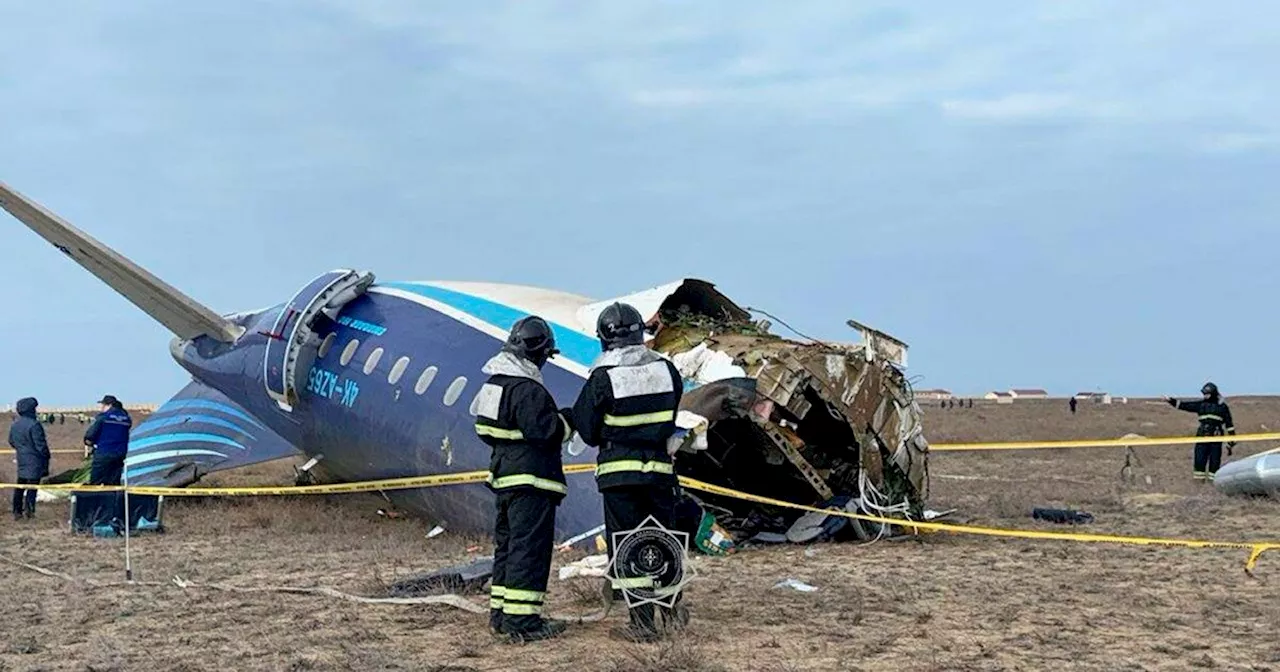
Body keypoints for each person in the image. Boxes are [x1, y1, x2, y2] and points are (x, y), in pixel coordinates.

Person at [570, 302, 689, 642]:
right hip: (660, 473)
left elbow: (588, 429)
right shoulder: (666, 370)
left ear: (604, 339)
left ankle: (642, 624)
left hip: (620, 476)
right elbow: (670, 416)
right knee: (664, 539)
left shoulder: (603, 376)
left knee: (629, 545)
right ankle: (671, 609)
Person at [474, 316, 572, 643]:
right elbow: (546, 433)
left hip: (503, 479)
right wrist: (568, 420)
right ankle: (522, 623)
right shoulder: (528, 389)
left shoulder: (494, 384)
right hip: (531, 482)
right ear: (539, 352)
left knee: (508, 548)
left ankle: (501, 616)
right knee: (529, 550)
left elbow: (484, 430)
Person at [1165, 382, 1236, 482]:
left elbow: (1229, 425)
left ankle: (1213, 483)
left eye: (1207, 394)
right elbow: (1185, 405)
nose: (1205, 396)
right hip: (1201, 436)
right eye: (1204, 394)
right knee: (1199, 460)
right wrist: (1171, 401)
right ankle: (1199, 483)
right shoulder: (1201, 405)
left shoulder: (1222, 407)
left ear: (1213, 393)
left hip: (1216, 437)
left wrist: (1231, 441)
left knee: (1214, 462)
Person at [8, 397, 50, 520]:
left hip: (21, 459)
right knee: (32, 488)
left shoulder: (15, 425)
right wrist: (46, 455)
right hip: (35, 460)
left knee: (20, 486)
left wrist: (22, 449)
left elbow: (11, 441)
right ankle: (29, 512)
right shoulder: (35, 425)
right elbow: (40, 445)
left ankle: (17, 511)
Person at [84, 395, 132, 485]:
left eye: (103, 405)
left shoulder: (103, 417)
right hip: (120, 454)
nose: (101, 407)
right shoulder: (126, 419)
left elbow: (90, 435)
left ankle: (95, 498)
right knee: (113, 482)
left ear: (109, 405)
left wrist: (89, 442)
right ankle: (113, 498)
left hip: (104, 452)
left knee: (96, 481)